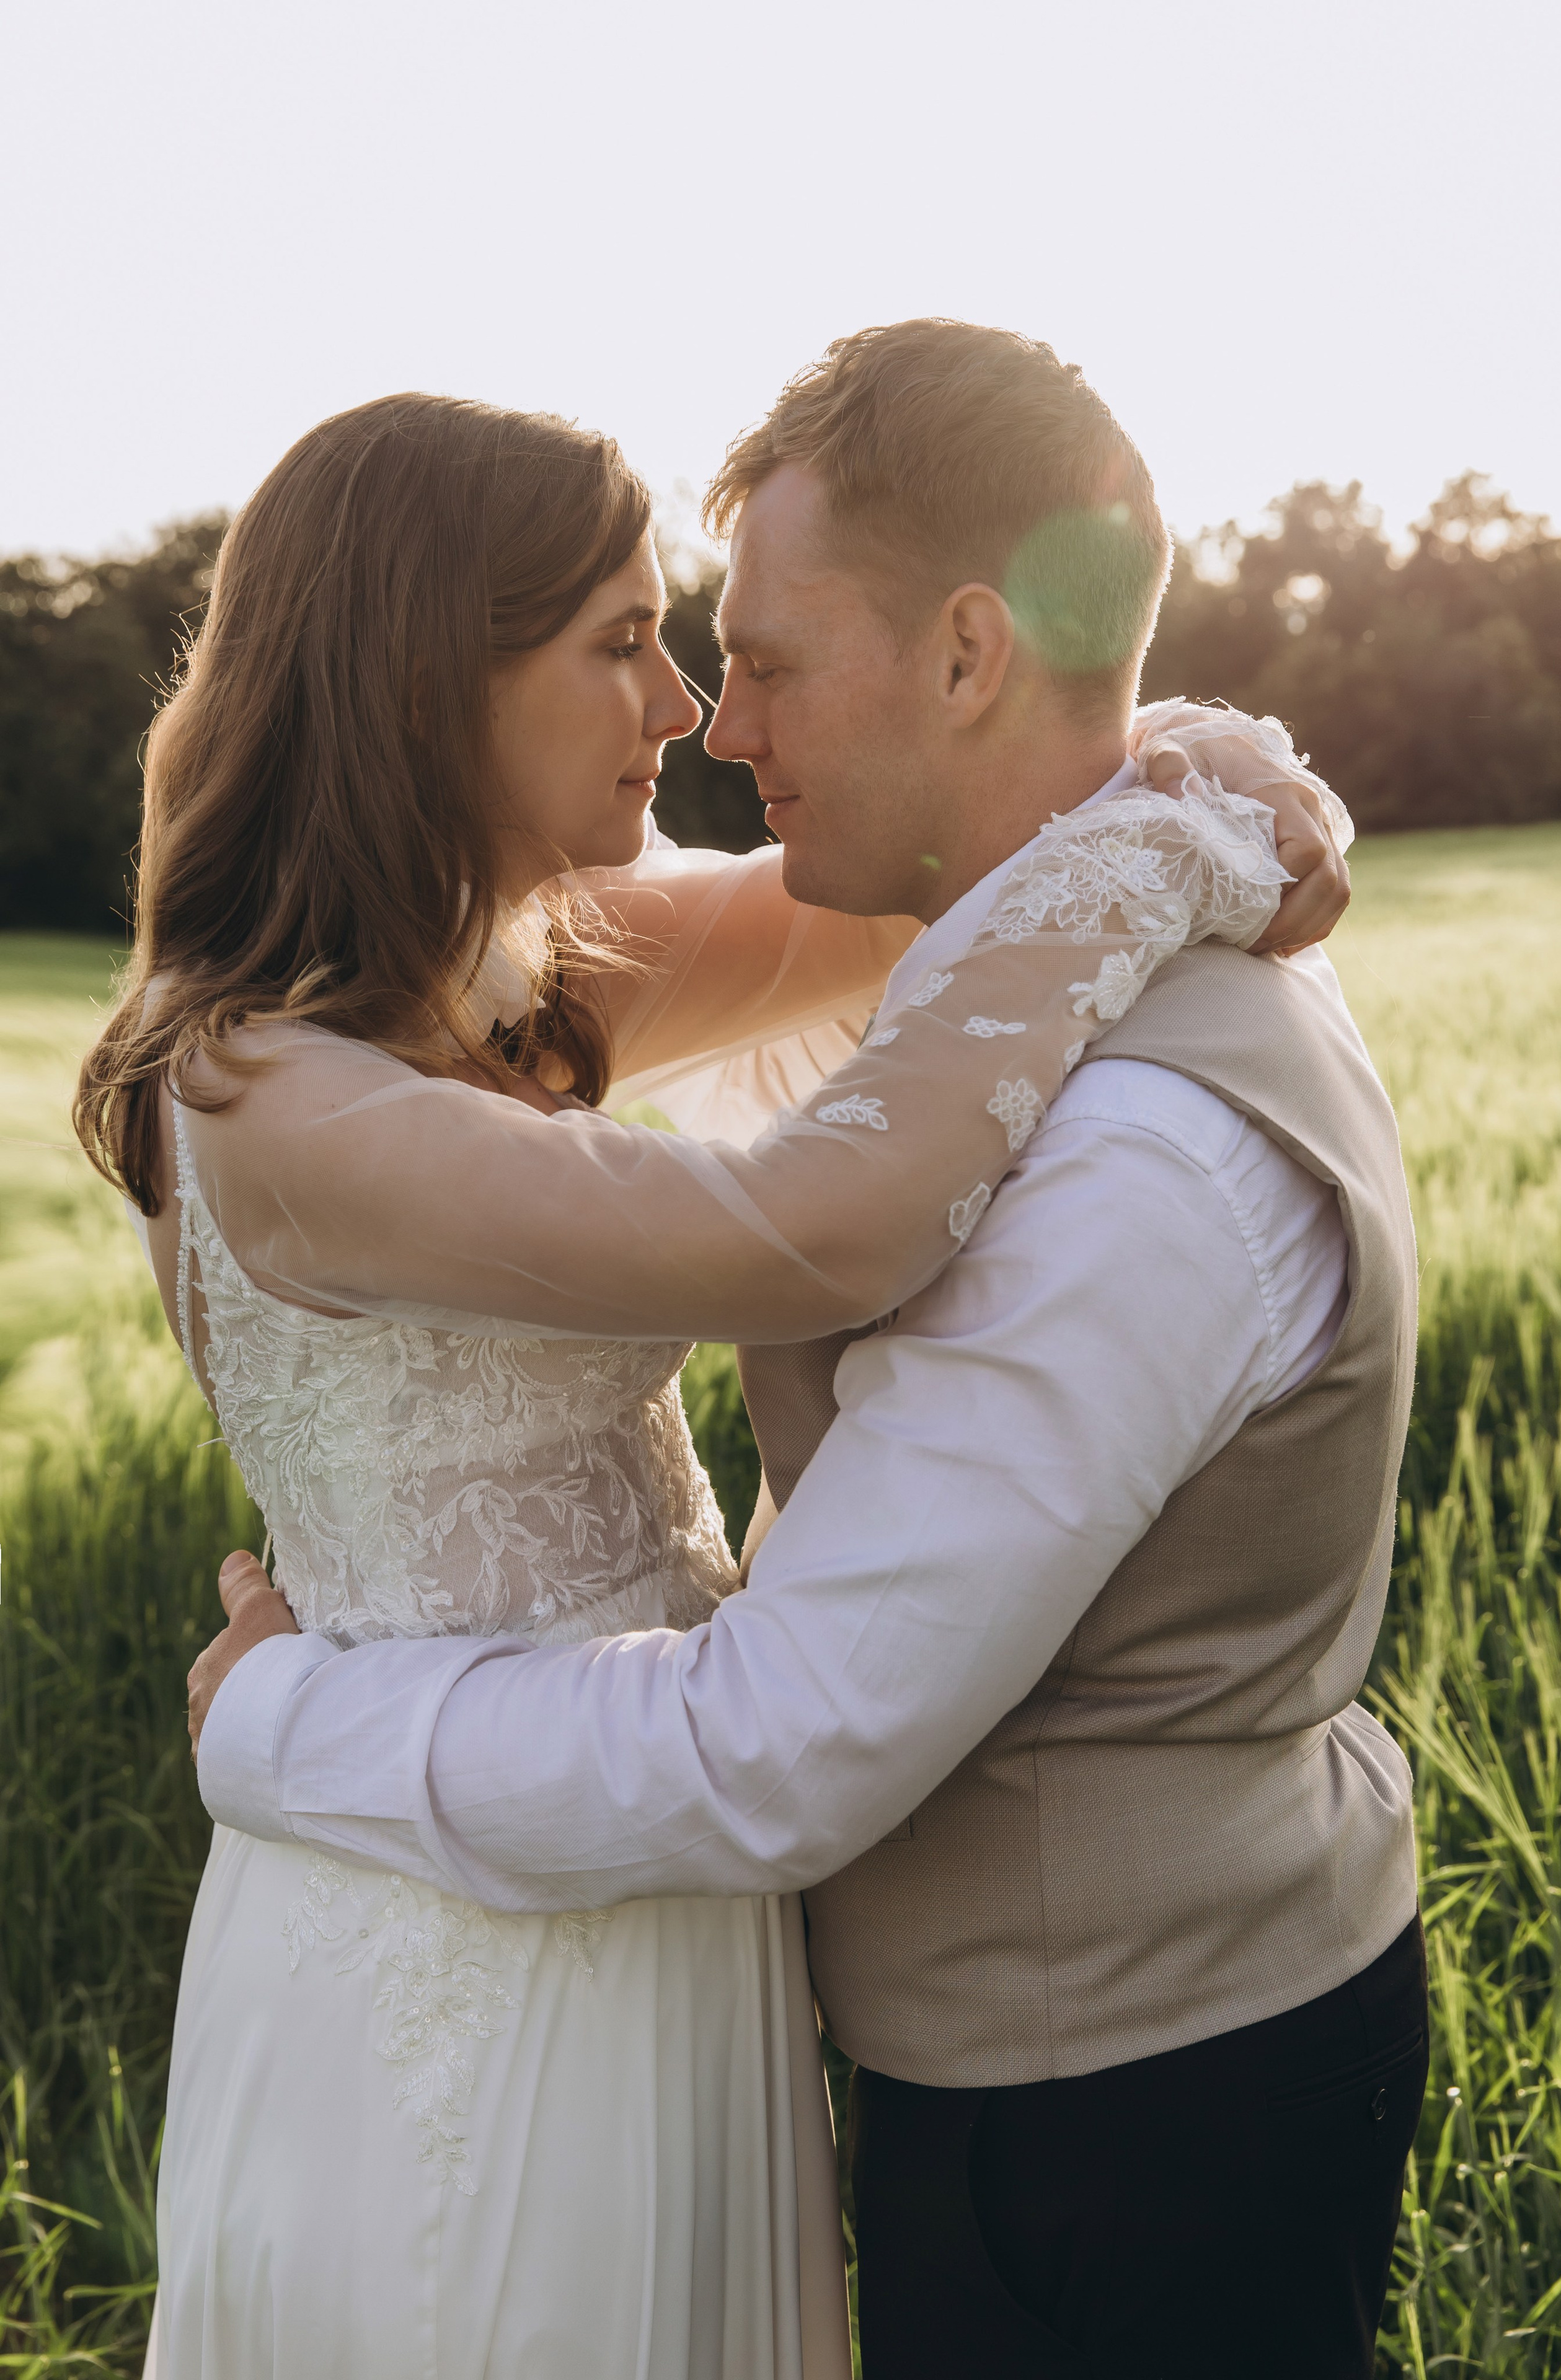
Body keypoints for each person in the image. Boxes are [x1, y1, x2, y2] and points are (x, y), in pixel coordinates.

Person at [95, 334, 1377, 2380]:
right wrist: (1165, 847)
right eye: (628, 642)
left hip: (669, 1892)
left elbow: (925, 871)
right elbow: (810, 1229)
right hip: (458, 1921)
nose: (691, 710)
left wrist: (1204, 757)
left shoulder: (538, 958)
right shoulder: (274, 1097)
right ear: (435, 673)